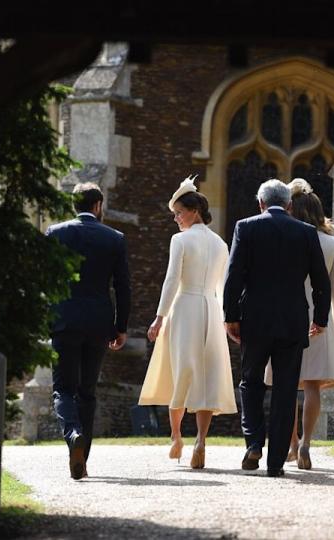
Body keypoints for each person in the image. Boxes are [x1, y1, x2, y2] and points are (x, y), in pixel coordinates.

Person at [223, 179, 331, 477]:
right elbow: (322, 282)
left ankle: (254, 443)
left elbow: (234, 276)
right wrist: (320, 319)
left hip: (254, 319)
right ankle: (275, 462)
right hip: (293, 320)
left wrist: (230, 316)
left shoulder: (246, 227)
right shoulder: (307, 233)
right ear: (289, 205)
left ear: (260, 203)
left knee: (250, 382)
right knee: (285, 389)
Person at [139, 177, 238, 469]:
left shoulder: (180, 240)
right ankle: (201, 440)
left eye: (179, 213)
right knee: (207, 375)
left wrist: (159, 317)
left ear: (194, 210)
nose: (176, 219)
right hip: (212, 309)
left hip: (184, 308)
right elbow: (224, 287)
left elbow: (171, 281)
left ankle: (177, 435)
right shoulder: (221, 244)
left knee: (181, 371)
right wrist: (226, 320)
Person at [45, 182, 130, 480]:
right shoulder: (114, 238)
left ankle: (73, 436)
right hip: (98, 324)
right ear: (98, 206)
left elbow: (46, 280)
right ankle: (83, 456)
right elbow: (122, 287)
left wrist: (47, 320)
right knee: (87, 391)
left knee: (63, 389)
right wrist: (120, 327)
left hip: (64, 321)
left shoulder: (55, 233)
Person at [264, 178, 334, 470]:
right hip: (320, 319)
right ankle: (307, 445)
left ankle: (292, 444)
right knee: (312, 385)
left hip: (288, 314)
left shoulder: (289, 237)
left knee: (285, 384)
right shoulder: (331, 243)